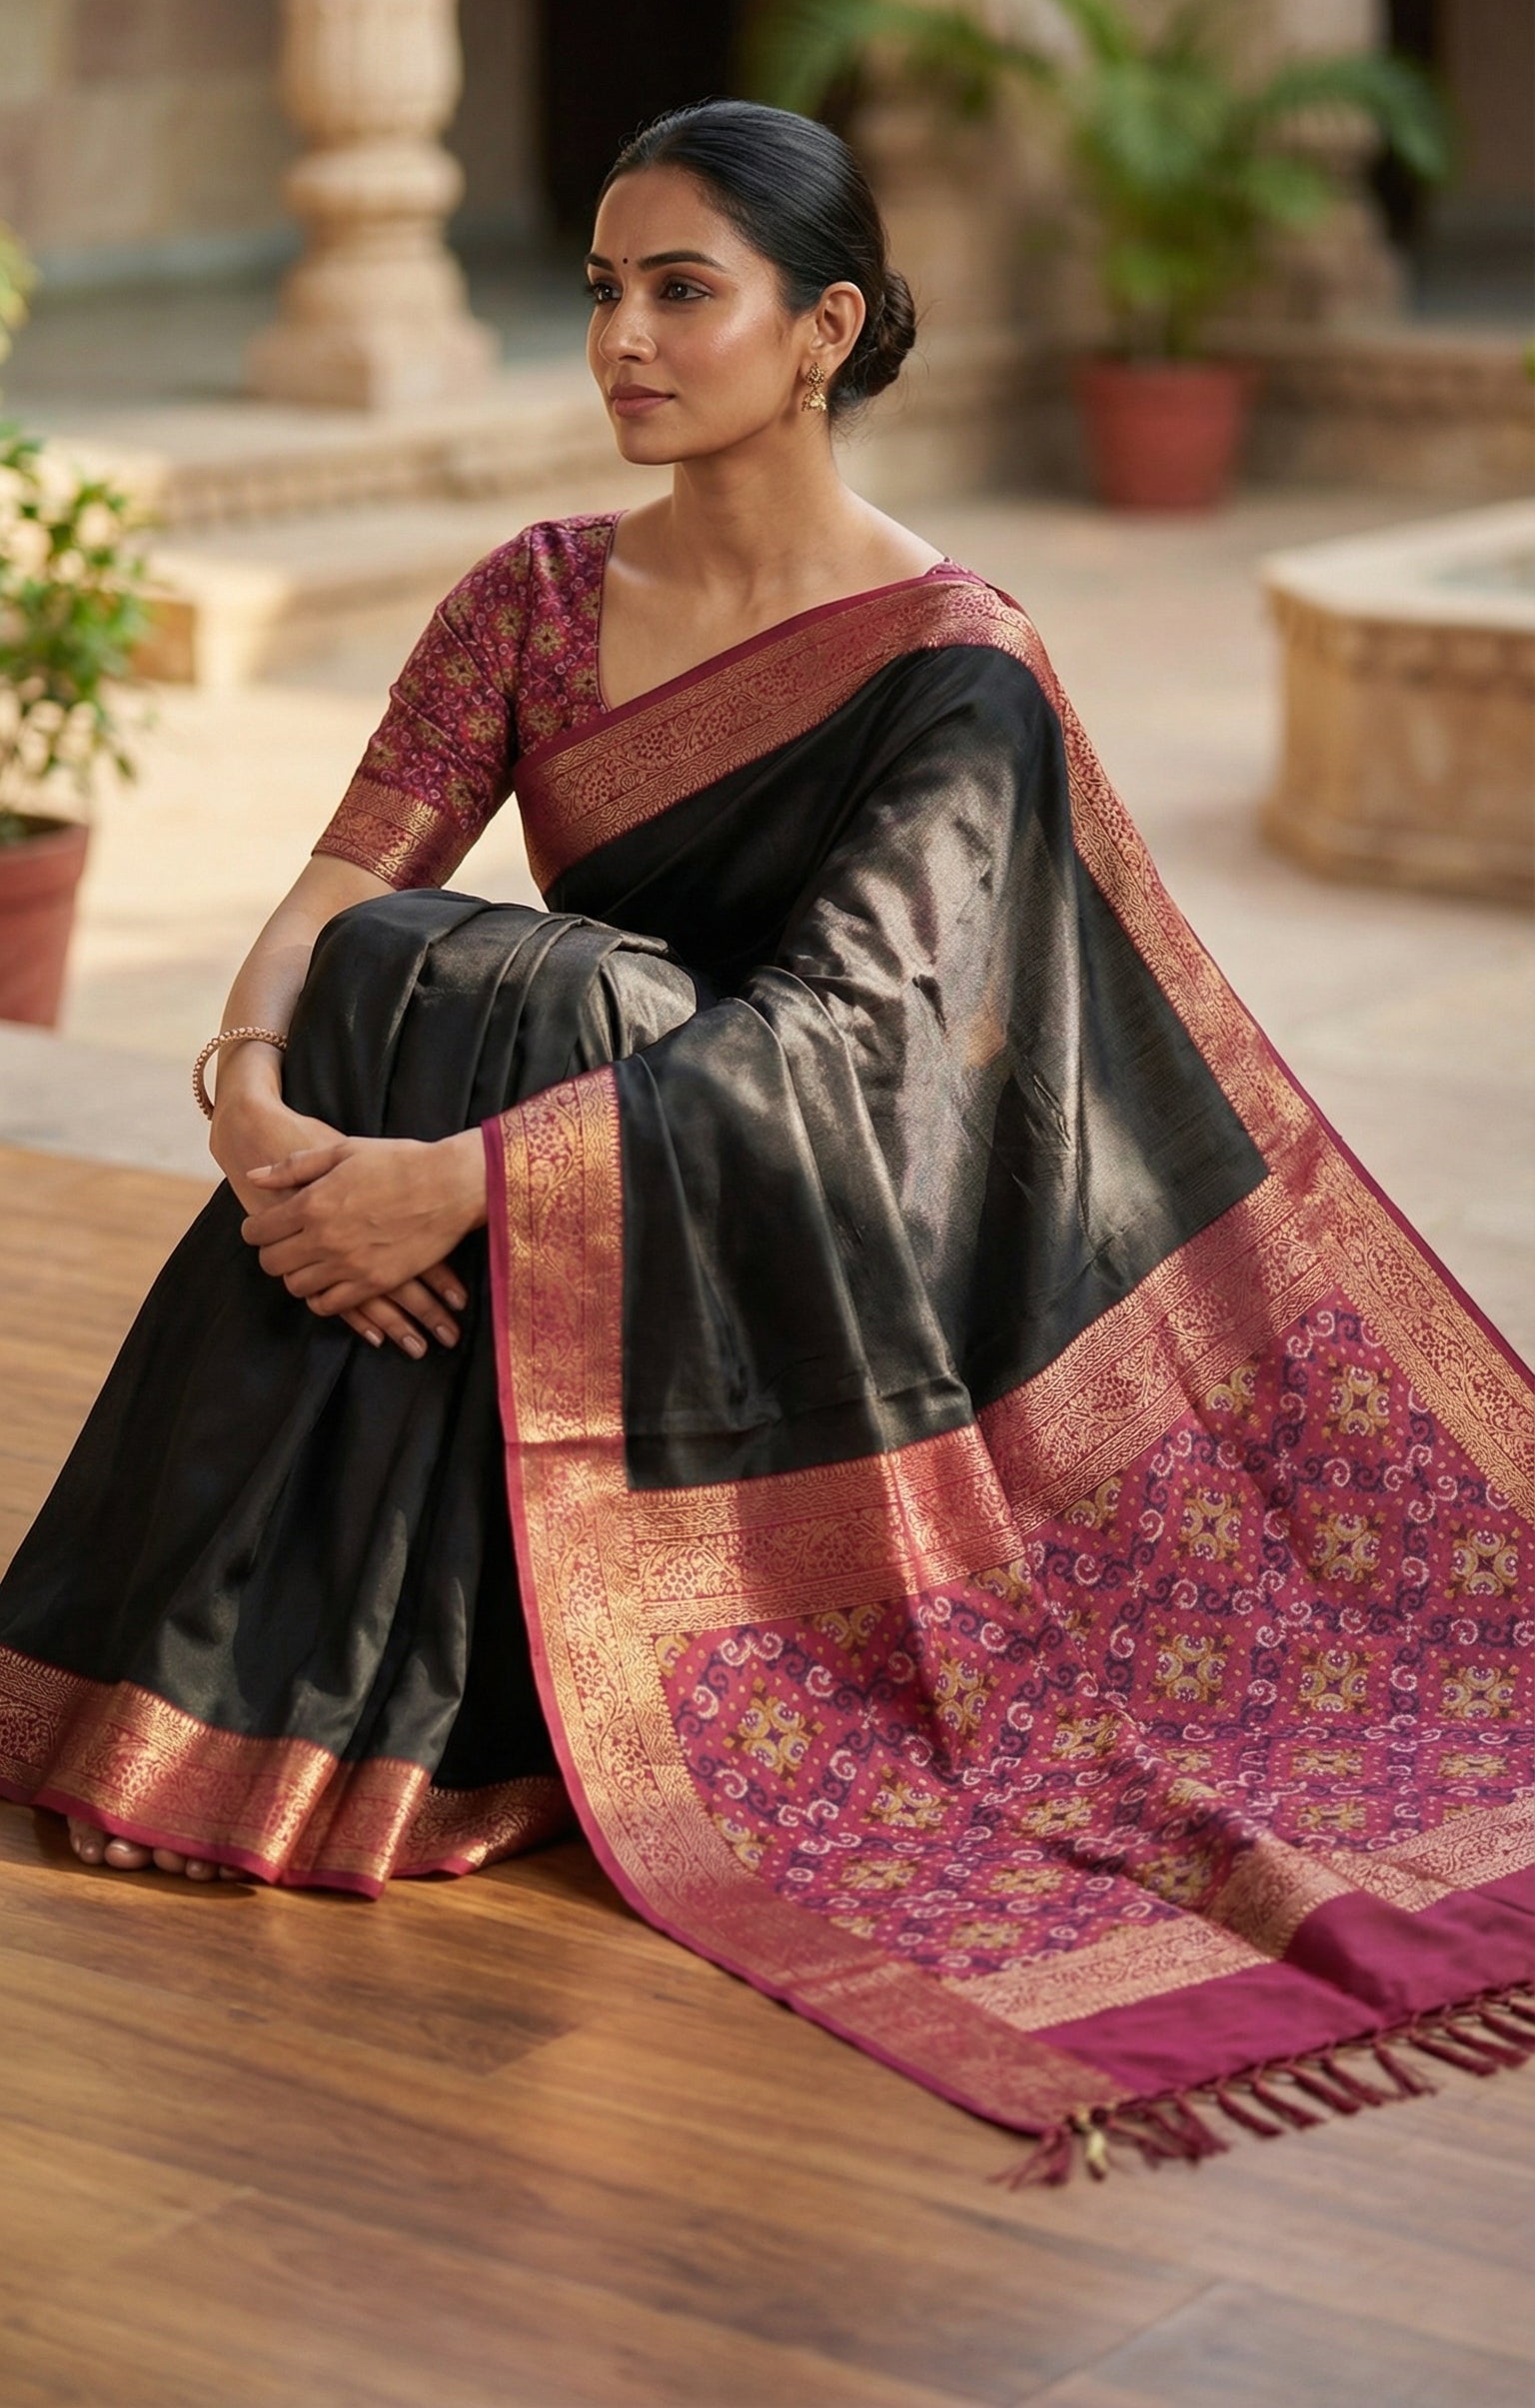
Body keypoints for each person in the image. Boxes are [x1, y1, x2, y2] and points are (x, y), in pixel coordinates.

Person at [2, 104, 1529, 2172]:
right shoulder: (536, 597)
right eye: (604, 291)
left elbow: (836, 1041)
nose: (623, 336)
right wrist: (262, 1100)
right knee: (424, 970)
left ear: (821, 329)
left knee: (527, 999)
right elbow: (337, 882)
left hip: (814, 1226)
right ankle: (290, 1703)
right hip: (577, 1200)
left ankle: (337, 1706)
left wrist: (439, 1179)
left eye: (680, 290)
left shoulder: (949, 665)